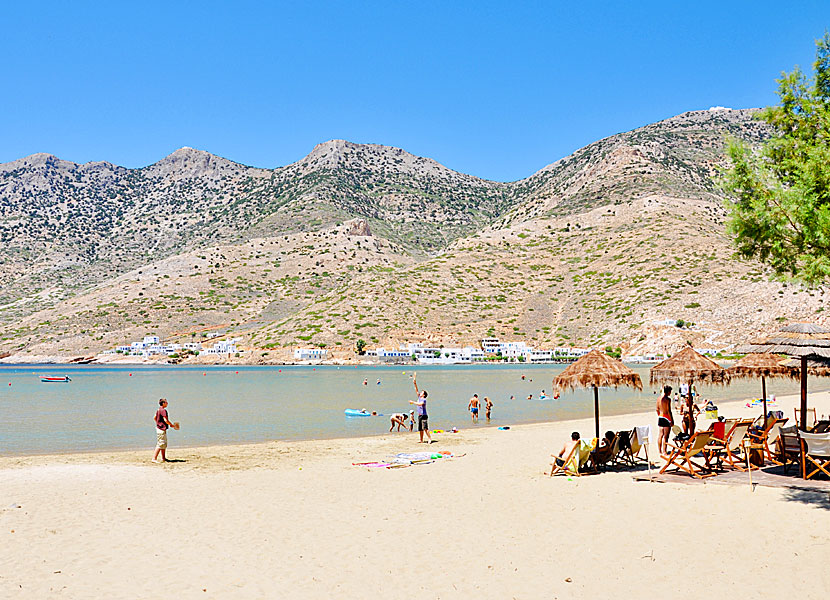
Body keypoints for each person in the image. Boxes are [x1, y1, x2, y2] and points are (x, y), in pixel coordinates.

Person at [152, 398, 179, 463]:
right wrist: (171, 425)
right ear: (163, 403)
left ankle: (163, 458)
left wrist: (158, 423)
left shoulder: (158, 410)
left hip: (159, 428)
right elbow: (165, 420)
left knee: (163, 444)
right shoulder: (163, 410)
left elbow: (154, 418)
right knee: (160, 444)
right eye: (166, 402)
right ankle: (154, 458)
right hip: (161, 429)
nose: (167, 403)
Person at [409, 373, 433, 443]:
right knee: (420, 429)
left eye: (422, 392)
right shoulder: (419, 397)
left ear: (424, 395)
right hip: (419, 415)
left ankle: (429, 439)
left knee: (425, 428)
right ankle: (421, 440)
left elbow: (420, 404)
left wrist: (413, 402)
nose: (420, 393)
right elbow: (416, 390)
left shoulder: (423, 400)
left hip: (424, 415)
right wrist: (414, 383)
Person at [656, 386, 673, 457]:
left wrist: (659, 415)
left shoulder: (659, 398)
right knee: (666, 436)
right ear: (668, 391)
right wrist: (671, 420)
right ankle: (664, 452)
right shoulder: (668, 399)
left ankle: (659, 451)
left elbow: (657, 409)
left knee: (660, 435)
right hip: (666, 417)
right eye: (670, 391)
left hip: (660, 416)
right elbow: (669, 410)